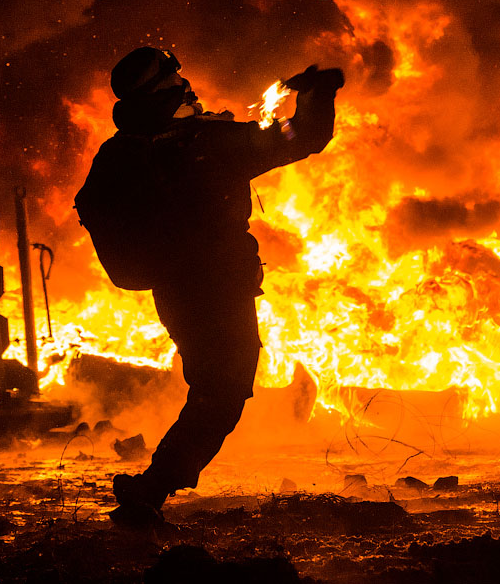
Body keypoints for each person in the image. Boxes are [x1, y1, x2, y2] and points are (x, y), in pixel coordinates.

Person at [95, 47, 343, 521]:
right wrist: (318, 94)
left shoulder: (117, 155)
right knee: (223, 389)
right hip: (220, 289)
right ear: (167, 90)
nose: (187, 87)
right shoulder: (210, 142)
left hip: (173, 293)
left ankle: (154, 485)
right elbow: (301, 136)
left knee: (214, 385)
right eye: (177, 80)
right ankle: (153, 487)